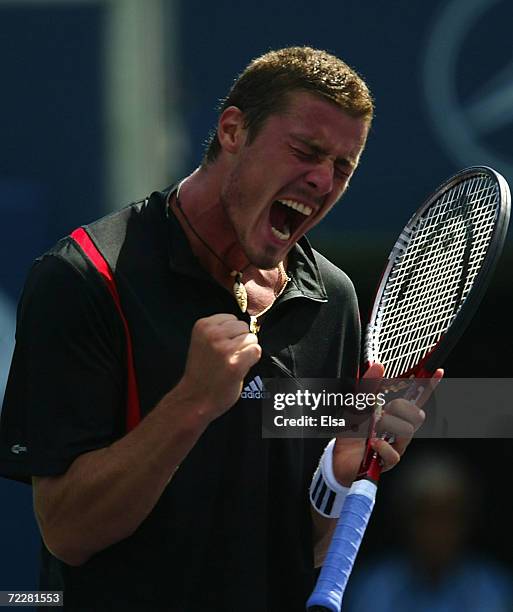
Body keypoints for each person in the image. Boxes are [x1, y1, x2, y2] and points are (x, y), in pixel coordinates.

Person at [0, 47, 432, 611]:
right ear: (233, 130)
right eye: (305, 151)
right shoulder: (84, 277)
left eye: (343, 167)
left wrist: (337, 474)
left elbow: (306, 545)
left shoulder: (333, 300)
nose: (323, 180)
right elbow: (67, 532)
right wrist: (192, 403)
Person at [343, 449, 513, 612]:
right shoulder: (373, 589)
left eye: (448, 515)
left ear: (467, 520)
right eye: (425, 515)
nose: (437, 528)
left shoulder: (494, 589)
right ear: (405, 519)